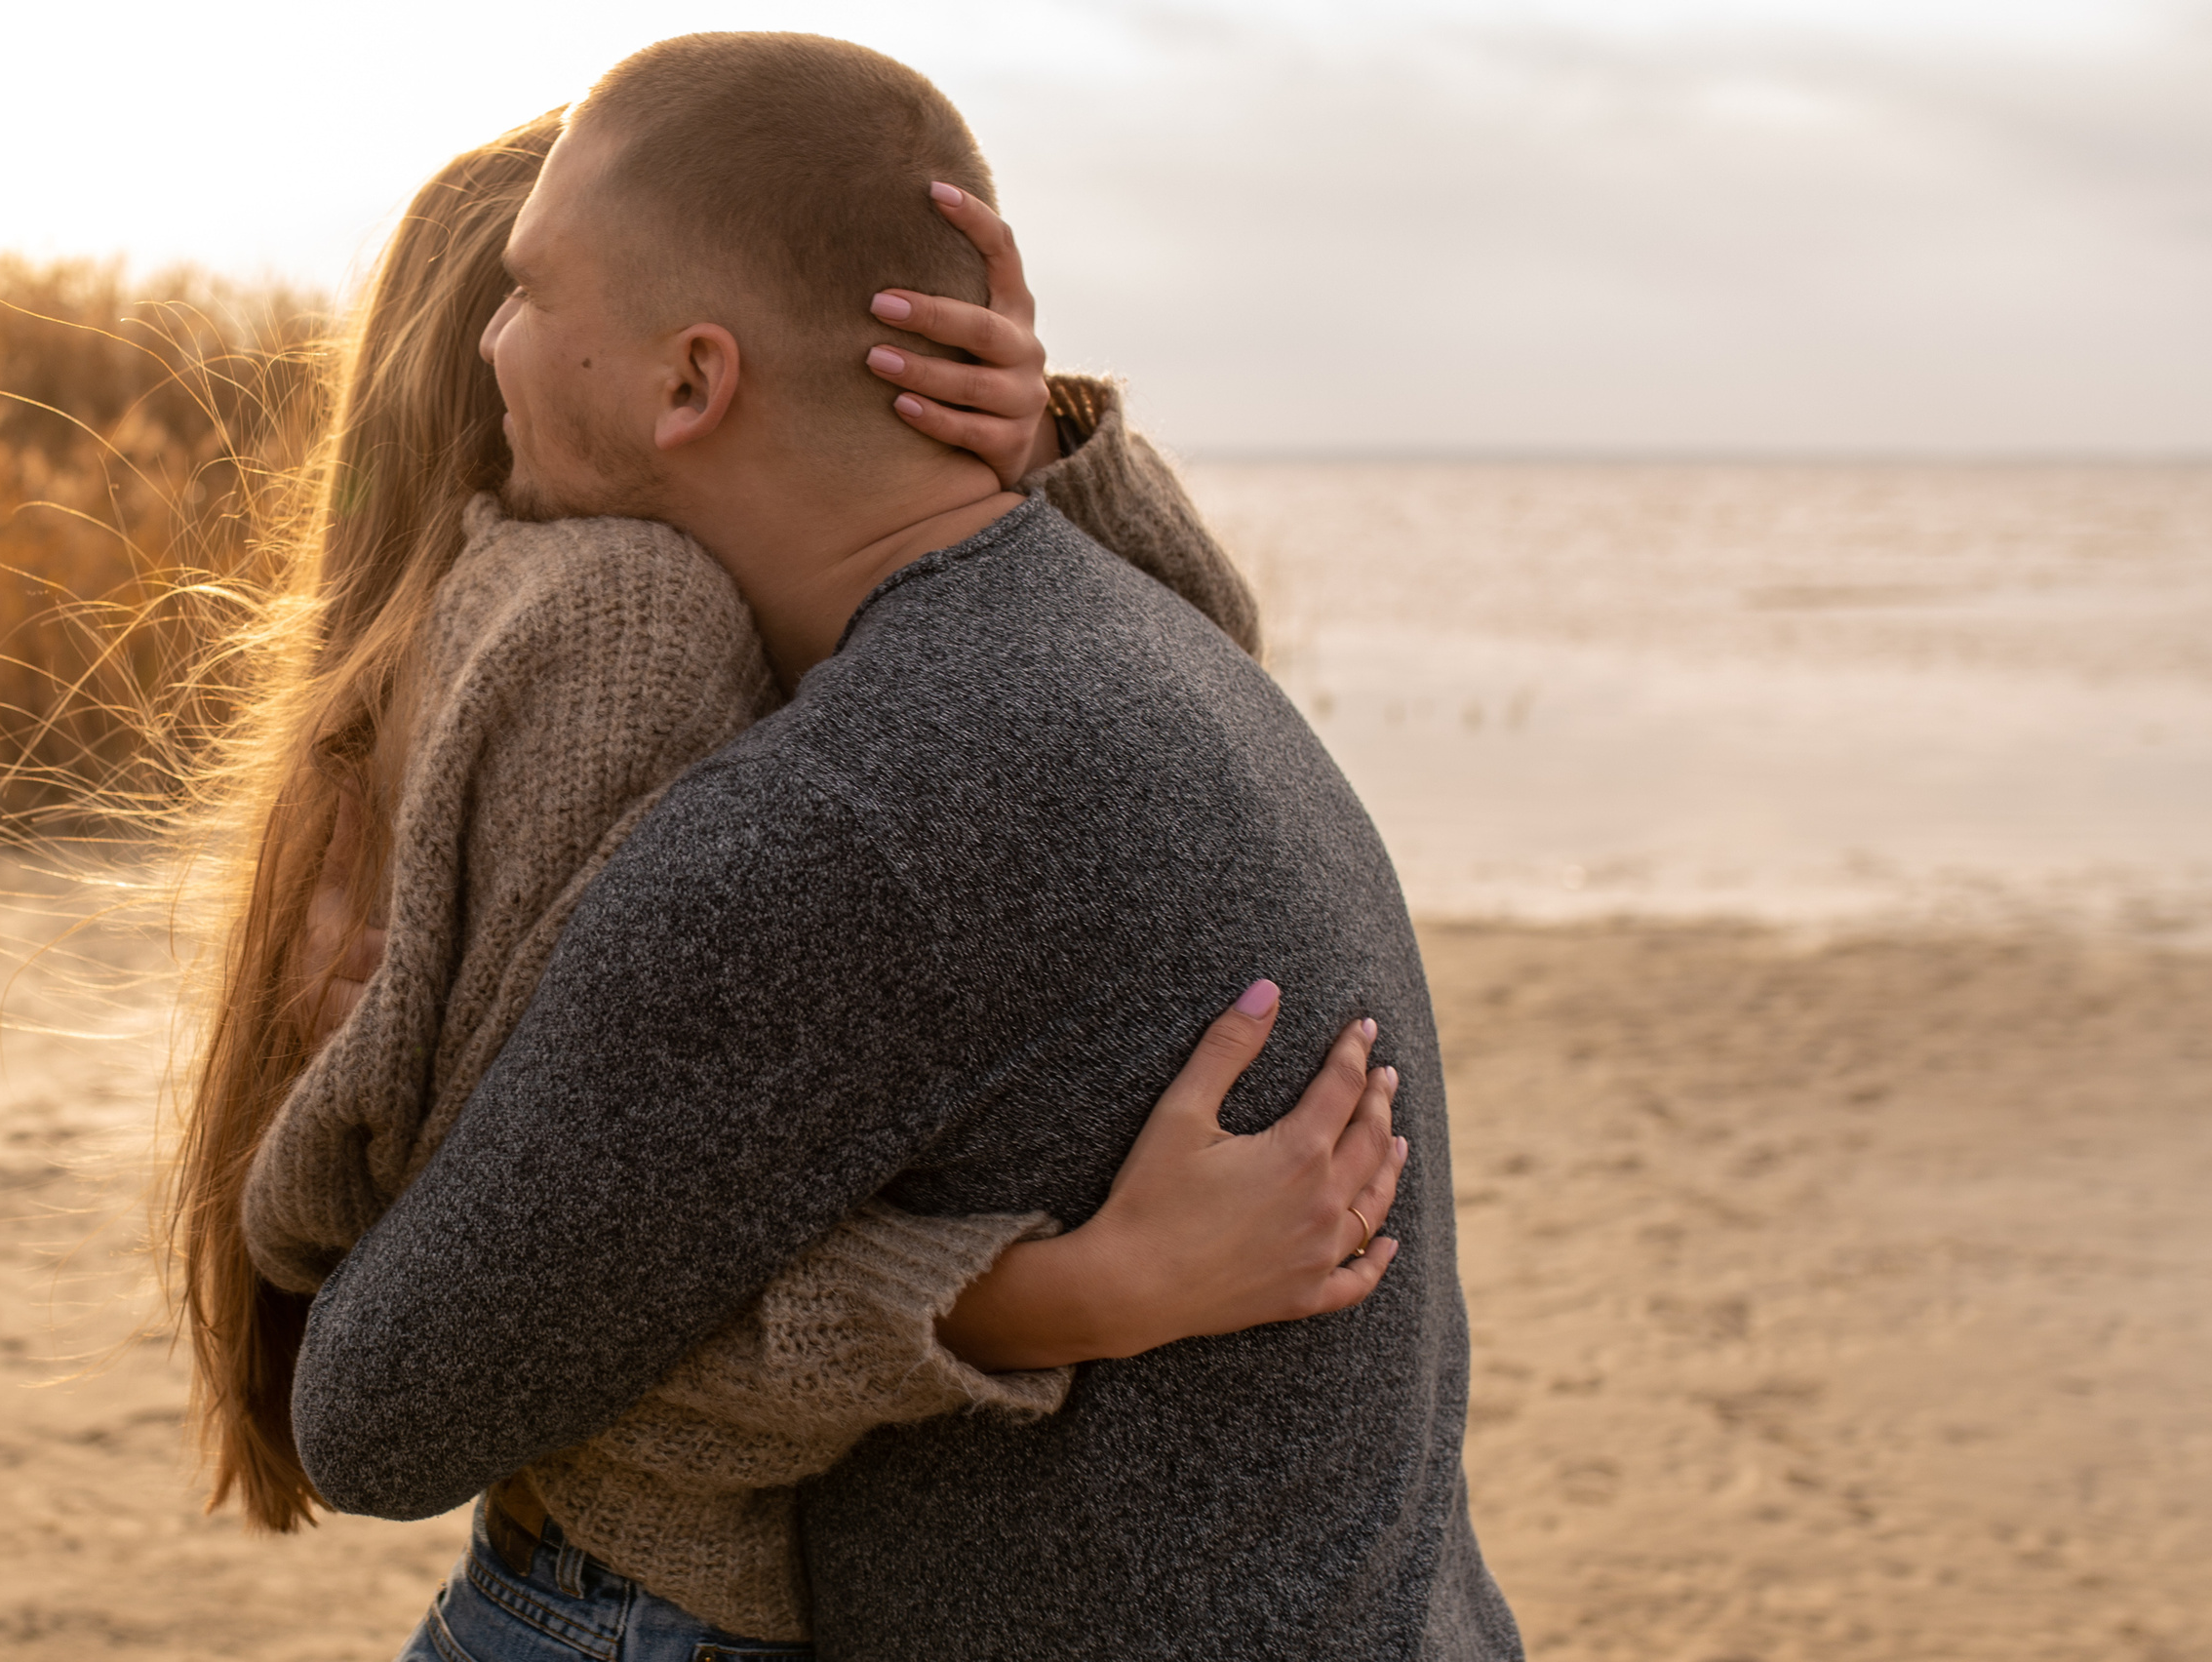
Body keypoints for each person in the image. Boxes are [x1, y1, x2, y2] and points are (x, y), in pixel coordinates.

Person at [285, 31, 1521, 1662]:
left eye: (526, 290)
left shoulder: (846, 830)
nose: (490, 345)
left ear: (690, 381)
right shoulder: (1157, 660)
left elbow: (377, 1416)